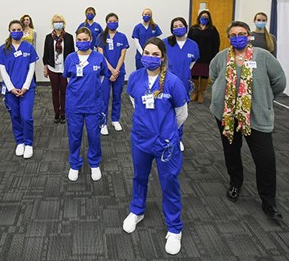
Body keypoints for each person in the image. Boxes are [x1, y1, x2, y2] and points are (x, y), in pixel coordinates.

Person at [209, 21, 286, 220]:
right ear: (229, 38)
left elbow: (279, 82)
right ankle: (235, 183)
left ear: (248, 35)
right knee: (231, 151)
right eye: (233, 34)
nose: (238, 37)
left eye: (242, 33)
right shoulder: (221, 57)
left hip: (256, 116)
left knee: (265, 159)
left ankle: (268, 202)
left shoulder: (263, 56)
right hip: (227, 115)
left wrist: (265, 99)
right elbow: (213, 75)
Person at [123, 37, 188, 255]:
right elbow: (135, 102)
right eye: (147, 54)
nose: (150, 58)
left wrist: (167, 131)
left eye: (155, 55)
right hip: (141, 140)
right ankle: (137, 210)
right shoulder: (134, 78)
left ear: (162, 58)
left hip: (166, 143)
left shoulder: (172, 82)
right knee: (139, 177)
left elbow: (181, 114)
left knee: (169, 182)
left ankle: (174, 228)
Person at [63, 27, 108, 182]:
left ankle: (94, 164)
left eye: (85, 39)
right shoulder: (70, 58)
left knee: (94, 135)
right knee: (74, 136)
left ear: (91, 40)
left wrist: (91, 89)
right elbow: (69, 78)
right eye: (79, 40)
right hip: (74, 104)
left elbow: (101, 77)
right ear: (76, 40)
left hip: (93, 104)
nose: (82, 42)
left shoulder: (98, 58)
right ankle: (75, 164)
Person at [0, 20, 39, 158]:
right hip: (10, 90)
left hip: (27, 89)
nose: (16, 32)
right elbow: (3, 71)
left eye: (18, 29)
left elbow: (32, 68)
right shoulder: (3, 49)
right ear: (9, 31)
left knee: (26, 117)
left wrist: (25, 87)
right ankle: (19, 141)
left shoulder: (29, 47)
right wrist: (11, 88)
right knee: (15, 116)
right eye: (13, 30)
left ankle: (28, 143)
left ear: (23, 30)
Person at [163, 17, 199, 151]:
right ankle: (165, 137)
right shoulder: (166, 42)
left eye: (181, 25)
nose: (178, 28)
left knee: (180, 113)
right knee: (166, 111)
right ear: (172, 29)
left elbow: (192, 62)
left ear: (186, 27)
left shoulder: (193, 45)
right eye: (175, 26)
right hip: (167, 82)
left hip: (183, 83)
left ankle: (178, 138)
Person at [96, 12, 129, 135]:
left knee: (117, 97)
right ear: (106, 22)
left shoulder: (122, 37)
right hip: (105, 73)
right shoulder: (101, 36)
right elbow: (101, 56)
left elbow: (122, 55)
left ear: (118, 22)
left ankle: (115, 120)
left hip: (119, 72)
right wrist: (111, 70)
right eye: (110, 21)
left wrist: (116, 71)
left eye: (115, 20)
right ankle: (103, 123)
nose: (112, 23)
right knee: (104, 98)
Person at [43, 14, 75, 124]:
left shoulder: (69, 37)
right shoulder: (48, 37)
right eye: (56, 21)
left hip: (65, 68)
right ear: (52, 24)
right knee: (55, 91)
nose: (58, 23)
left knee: (64, 91)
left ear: (63, 23)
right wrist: (45, 67)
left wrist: (72, 68)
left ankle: (63, 112)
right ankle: (56, 112)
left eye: (60, 21)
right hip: (52, 68)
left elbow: (72, 54)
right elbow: (46, 53)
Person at [188, 10, 220, 103]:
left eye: (206, 17)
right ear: (199, 17)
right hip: (195, 56)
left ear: (209, 19)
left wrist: (214, 56)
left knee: (204, 75)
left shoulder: (212, 29)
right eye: (202, 17)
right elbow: (189, 42)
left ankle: (201, 93)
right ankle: (195, 92)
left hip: (207, 56)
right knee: (194, 74)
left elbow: (216, 43)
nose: (204, 19)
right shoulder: (193, 28)